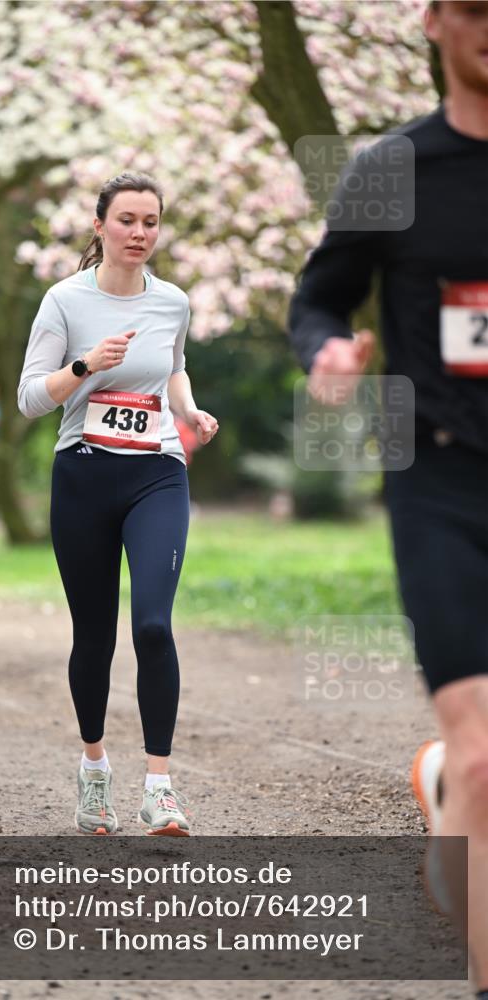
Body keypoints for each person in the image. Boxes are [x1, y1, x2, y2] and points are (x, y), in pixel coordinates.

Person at [288, 2, 488, 993]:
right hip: (439, 481)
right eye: (477, 7)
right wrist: (326, 349)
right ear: (434, 22)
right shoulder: (392, 170)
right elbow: (319, 294)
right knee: (486, 756)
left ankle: (450, 789)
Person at [18, 171, 218, 836]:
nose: (139, 233)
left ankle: (159, 787)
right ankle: (95, 769)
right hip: (82, 472)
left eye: (150, 222)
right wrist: (84, 367)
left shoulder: (173, 302)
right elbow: (29, 398)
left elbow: (174, 365)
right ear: (100, 225)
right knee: (94, 635)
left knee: (153, 626)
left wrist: (189, 410)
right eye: (127, 220)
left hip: (156, 471)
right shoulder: (64, 301)